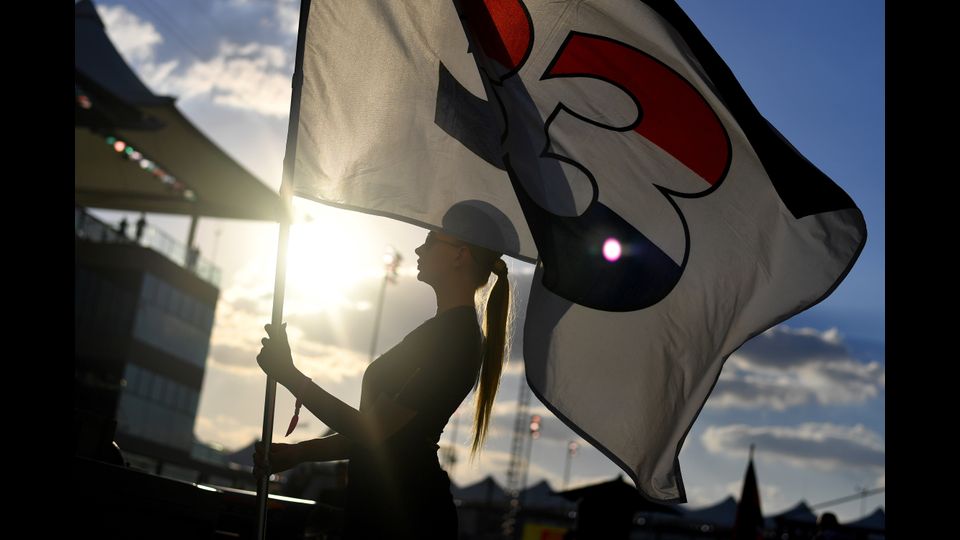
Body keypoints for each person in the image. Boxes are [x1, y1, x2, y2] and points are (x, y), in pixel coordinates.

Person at [255, 229, 512, 539]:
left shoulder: (455, 337)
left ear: (460, 255)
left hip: (403, 513)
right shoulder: (446, 331)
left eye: (430, 242)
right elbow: (385, 438)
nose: (418, 250)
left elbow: (371, 431)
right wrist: (300, 453)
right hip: (390, 505)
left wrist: (290, 375)